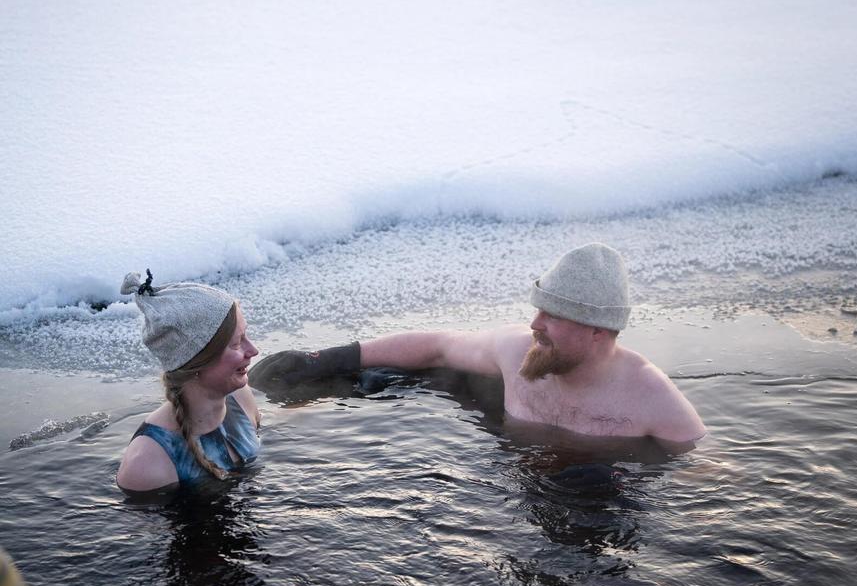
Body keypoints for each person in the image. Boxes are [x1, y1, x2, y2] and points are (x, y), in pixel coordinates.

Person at [251, 243, 706, 443]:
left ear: (597, 330)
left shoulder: (652, 400)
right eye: (538, 309)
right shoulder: (518, 352)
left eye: (553, 315)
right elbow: (438, 346)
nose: (535, 323)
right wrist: (326, 359)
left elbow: (706, 477)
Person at [116, 271, 262, 494]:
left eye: (246, 336)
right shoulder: (148, 463)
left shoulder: (241, 399)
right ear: (197, 361)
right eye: (236, 343)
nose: (253, 350)